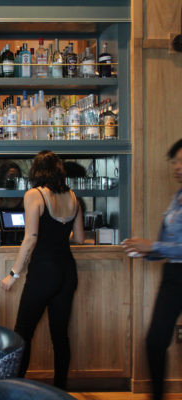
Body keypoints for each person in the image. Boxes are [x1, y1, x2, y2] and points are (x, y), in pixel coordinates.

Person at [0, 150, 84, 390]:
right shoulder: (73, 196)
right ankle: (60, 391)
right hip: (67, 271)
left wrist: (13, 275)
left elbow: (30, 239)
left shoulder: (34, 195)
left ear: (36, 171)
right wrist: (59, 233)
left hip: (44, 272)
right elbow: (78, 238)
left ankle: (14, 389)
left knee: (23, 333)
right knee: (60, 335)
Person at [122, 139, 182, 400]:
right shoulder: (177, 197)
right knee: (155, 341)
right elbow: (167, 244)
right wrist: (145, 251)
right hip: (174, 275)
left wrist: (153, 246)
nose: (177, 167)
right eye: (175, 161)